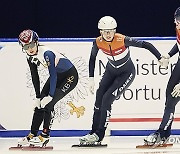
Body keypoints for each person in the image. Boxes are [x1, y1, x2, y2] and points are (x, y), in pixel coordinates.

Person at [79, 16, 169, 145]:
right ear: (100, 32)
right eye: (105, 31)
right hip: (110, 71)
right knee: (99, 97)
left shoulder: (123, 40)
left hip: (126, 73)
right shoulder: (97, 42)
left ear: (115, 30)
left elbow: (146, 44)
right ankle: (93, 132)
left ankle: (99, 135)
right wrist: (91, 78)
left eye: (111, 31)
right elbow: (92, 59)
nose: (108, 34)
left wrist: (159, 57)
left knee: (107, 99)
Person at [17, 29, 79, 146]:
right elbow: (34, 75)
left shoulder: (47, 53)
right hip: (57, 75)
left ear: (36, 42)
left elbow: (53, 74)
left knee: (49, 104)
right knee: (40, 104)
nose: (29, 49)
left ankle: (45, 135)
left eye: (31, 45)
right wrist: (37, 97)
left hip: (69, 77)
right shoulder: (29, 56)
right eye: (25, 47)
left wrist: (50, 96)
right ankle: (32, 134)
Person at [144, 7, 180, 146]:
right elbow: (178, 44)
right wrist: (169, 55)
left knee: (172, 98)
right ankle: (163, 133)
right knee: (170, 96)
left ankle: (161, 133)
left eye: (179, 22)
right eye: (176, 21)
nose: (177, 24)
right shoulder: (178, 28)